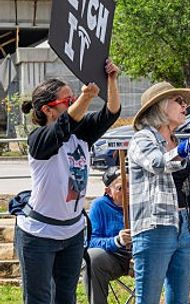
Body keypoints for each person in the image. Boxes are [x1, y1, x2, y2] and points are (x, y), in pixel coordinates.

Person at [15, 60, 121, 304]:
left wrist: (111, 81)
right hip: (39, 233)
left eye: (74, 98)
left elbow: (110, 113)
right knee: (38, 298)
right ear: (47, 110)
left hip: (72, 232)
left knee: (66, 297)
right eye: (67, 100)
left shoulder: (81, 134)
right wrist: (85, 98)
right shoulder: (39, 140)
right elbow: (63, 126)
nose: (74, 102)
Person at [127, 82, 190, 304]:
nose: (184, 105)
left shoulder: (177, 142)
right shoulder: (142, 139)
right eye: (178, 101)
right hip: (154, 227)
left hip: (183, 226)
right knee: (148, 299)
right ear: (159, 107)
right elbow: (159, 163)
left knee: (180, 299)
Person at [85, 169, 132, 304]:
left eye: (130, 185)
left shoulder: (139, 202)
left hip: (142, 255)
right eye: (121, 188)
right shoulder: (99, 206)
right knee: (92, 258)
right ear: (108, 191)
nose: (128, 191)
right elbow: (91, 241)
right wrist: (117, 241)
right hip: (114, 257)